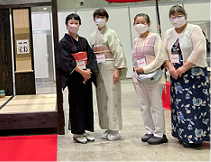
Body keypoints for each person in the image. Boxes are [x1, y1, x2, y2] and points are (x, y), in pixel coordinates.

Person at [164, 5, 210, 149]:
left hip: (194, 74)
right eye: (173, 17)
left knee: (195, 106)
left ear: (185, 16)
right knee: (180, 106)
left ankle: (195, 138)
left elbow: (200, 49)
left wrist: (183, 68)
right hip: (176, 75)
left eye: (179, 16)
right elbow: (164, 51)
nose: (176, 19)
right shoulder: (168, 33)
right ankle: (183, 135)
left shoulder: (193, 29)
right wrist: (171, 67)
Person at [57, 13, 98, 144]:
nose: (73, 25)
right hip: (75, 77)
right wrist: (82, 72)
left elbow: (91, 56)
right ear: (66, 25)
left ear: (79, 25)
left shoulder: (84, 41)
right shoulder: (63, 43)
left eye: (76, 23)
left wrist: (88, 71)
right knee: (76, 104)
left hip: (86, 76)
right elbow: (66, 61)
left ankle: (84, 129)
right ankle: (76, 132)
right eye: (71, 23)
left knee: (87, 103)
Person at [89, 8, 127, 141]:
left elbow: (117, 51)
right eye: (97, 17)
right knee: (102, 97)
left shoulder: (111, 33)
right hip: (98, 69)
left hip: (110, 66)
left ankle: (115, 129)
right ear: (94, 19)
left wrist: (118, 69)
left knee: (112, 96)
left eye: (102, 17)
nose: (99, 19)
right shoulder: (92, 36)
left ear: (106, 19)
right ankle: (107, 126)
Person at [132, 13, 168, 145]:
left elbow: (160, 58)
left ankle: (160, 133)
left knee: (155, 105)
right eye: (137, 22)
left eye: (142, 22)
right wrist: (137, 72)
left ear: (149, 24)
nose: (139, 25)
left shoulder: (155, 37)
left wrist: (145, 70)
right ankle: (149, 130)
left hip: (154, 77)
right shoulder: (135, 41)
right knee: (143, 105)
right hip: (139, 78)